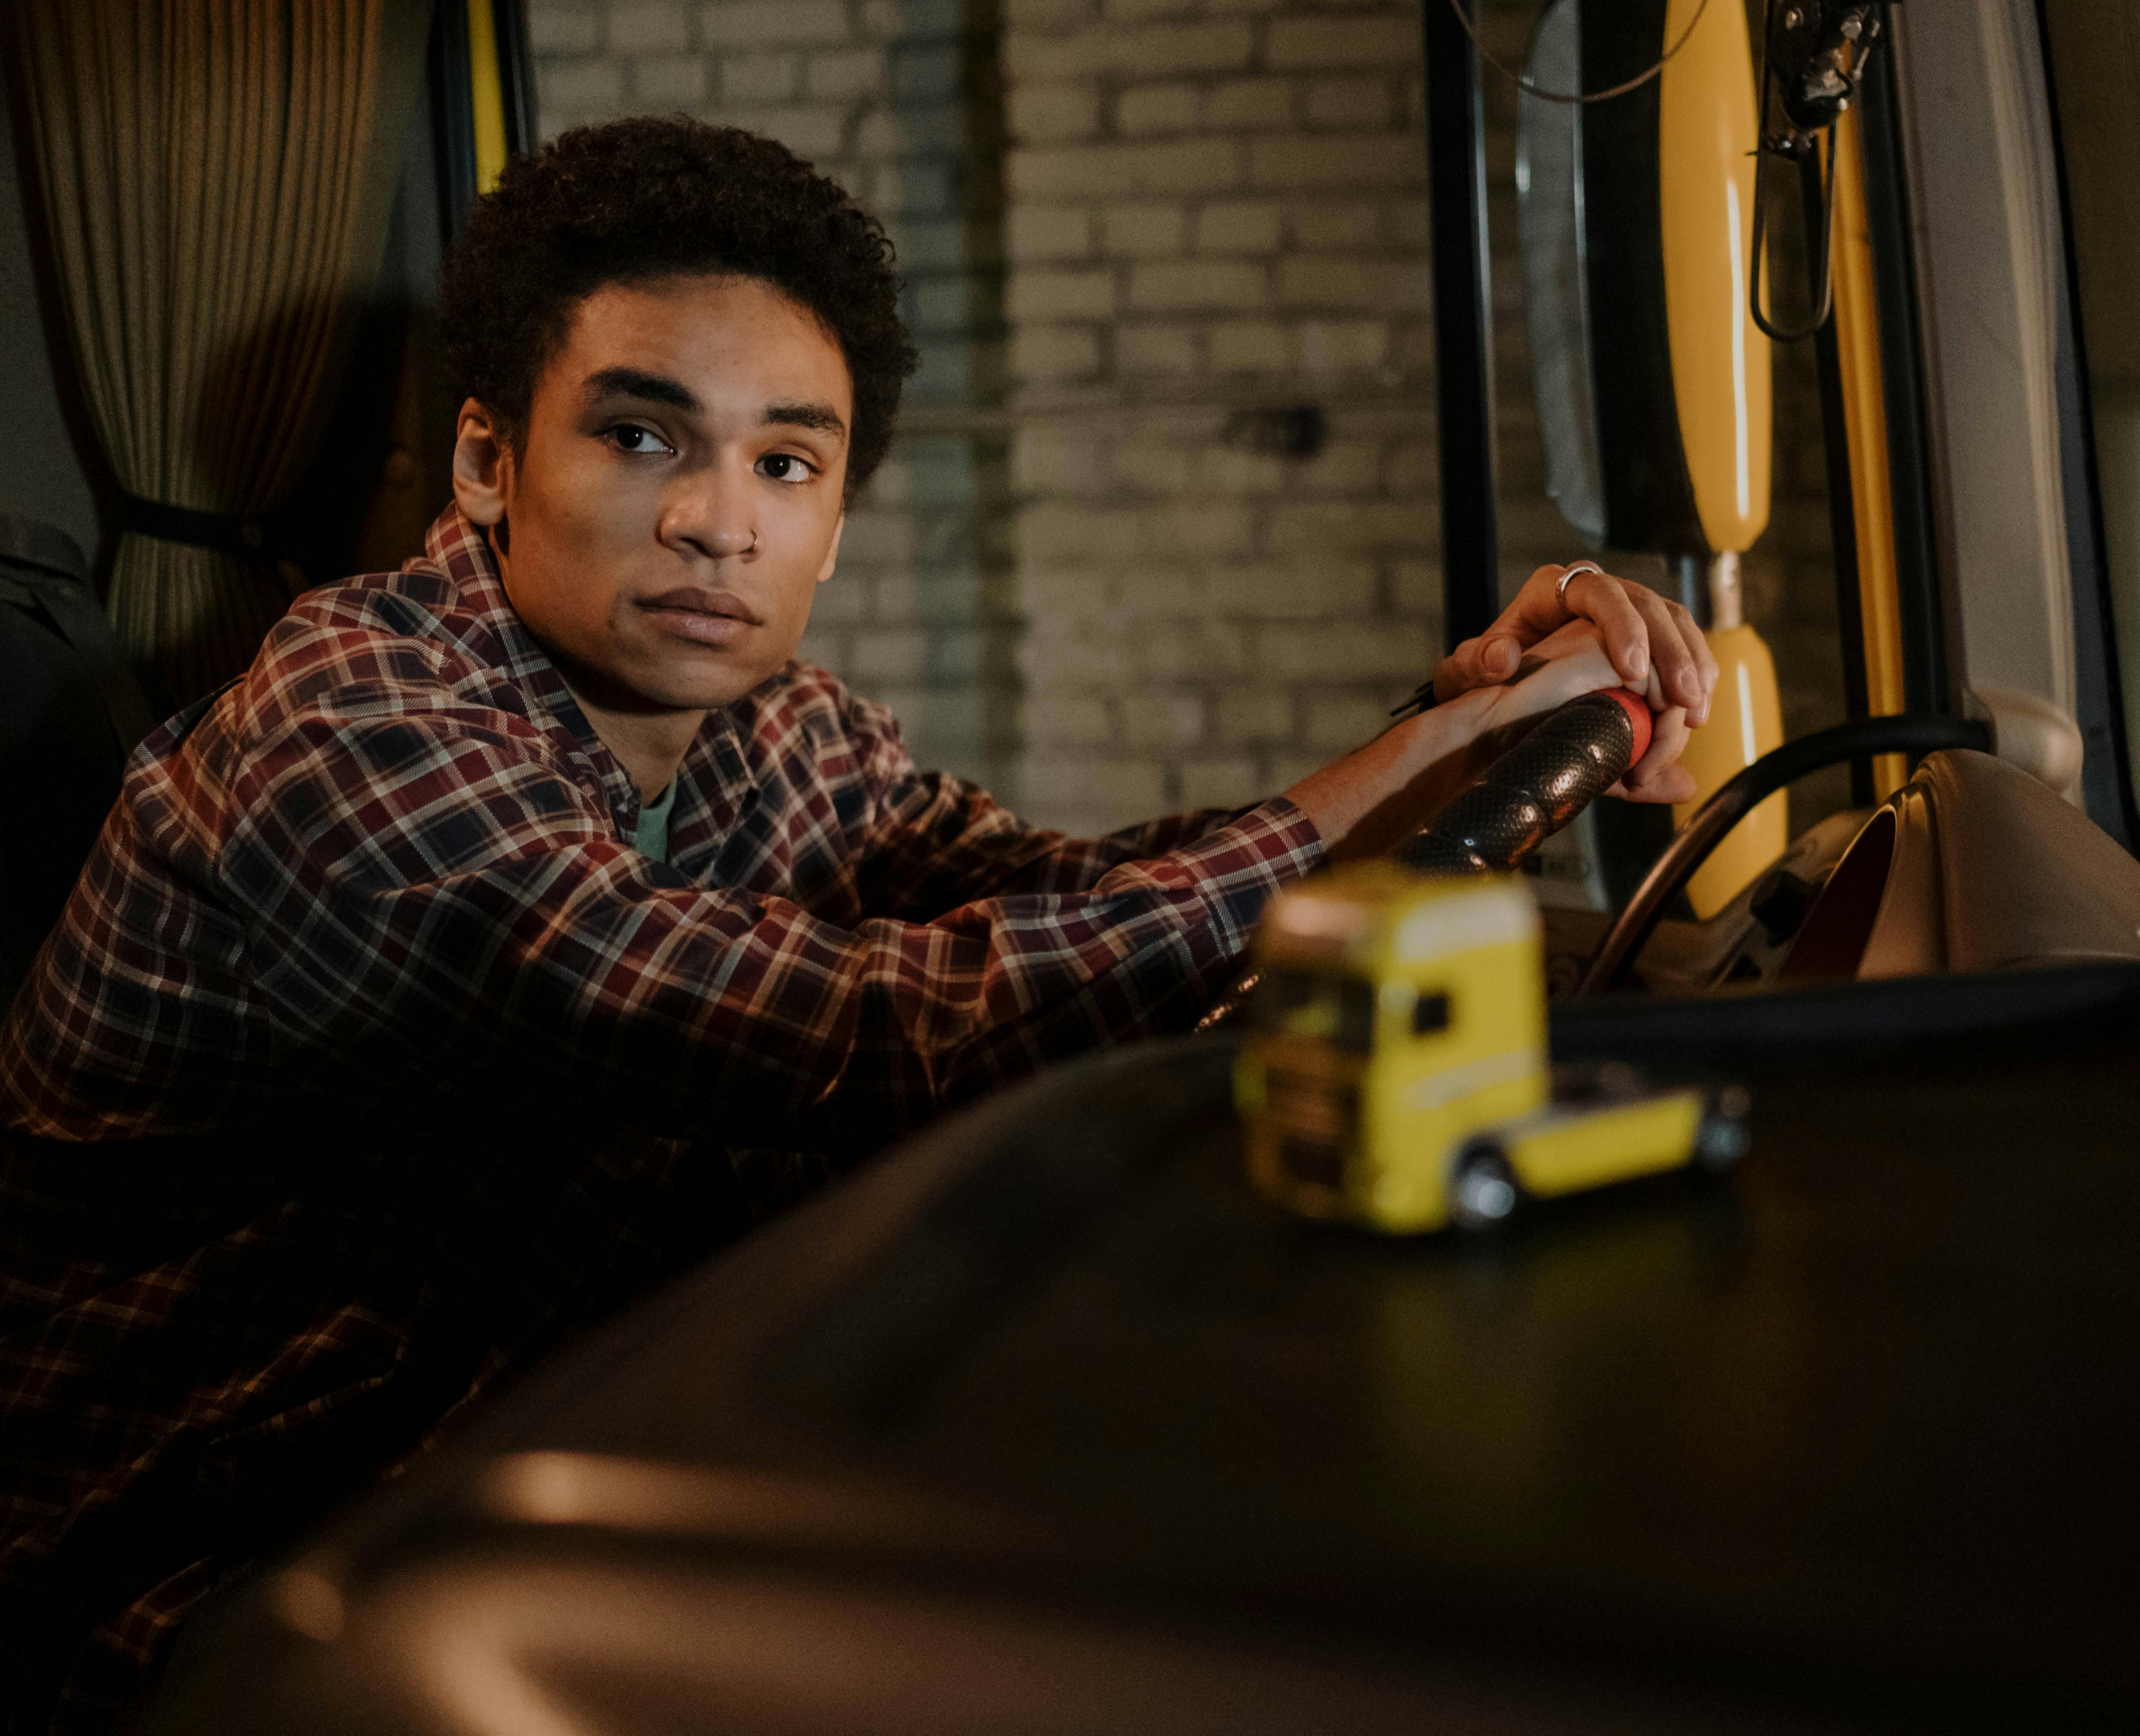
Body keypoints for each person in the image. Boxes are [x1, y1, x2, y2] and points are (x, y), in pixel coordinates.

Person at [0, 116, 1715, 1728]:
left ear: (828, 529)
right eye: (637, 433)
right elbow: (877, 1033)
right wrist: (1417, 762)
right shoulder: (357, 726)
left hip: (520, 1457)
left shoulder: (785, 728)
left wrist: (1449, 728)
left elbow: (1068, 902)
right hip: (210, 1580)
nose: (715, 516)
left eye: (785, 461)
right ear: (484, 460)